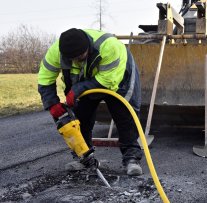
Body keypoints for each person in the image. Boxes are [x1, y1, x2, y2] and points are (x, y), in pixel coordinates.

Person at [38, 28, 143, 176]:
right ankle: (83, 157)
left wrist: (79, 88)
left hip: (118, 77)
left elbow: (108, 81)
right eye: (72, 59)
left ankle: (132, 158)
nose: (75, 61)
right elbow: (44, 78)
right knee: (80, 117)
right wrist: (52, 103)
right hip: (85, 77)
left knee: (125, 115)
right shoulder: (56, 52)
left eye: (80, 56)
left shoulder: (109, 47)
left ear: (88, 47)